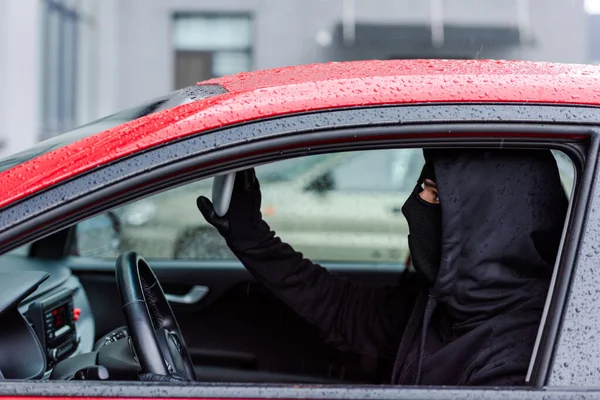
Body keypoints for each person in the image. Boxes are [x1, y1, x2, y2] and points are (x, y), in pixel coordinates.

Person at [196, 148, 568, 386]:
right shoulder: (448, 305)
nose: (414, 205)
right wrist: (252, 239)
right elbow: (342, 310)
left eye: (435, 195)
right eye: (423, 187)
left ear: (488, 221)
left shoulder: (523, 361)